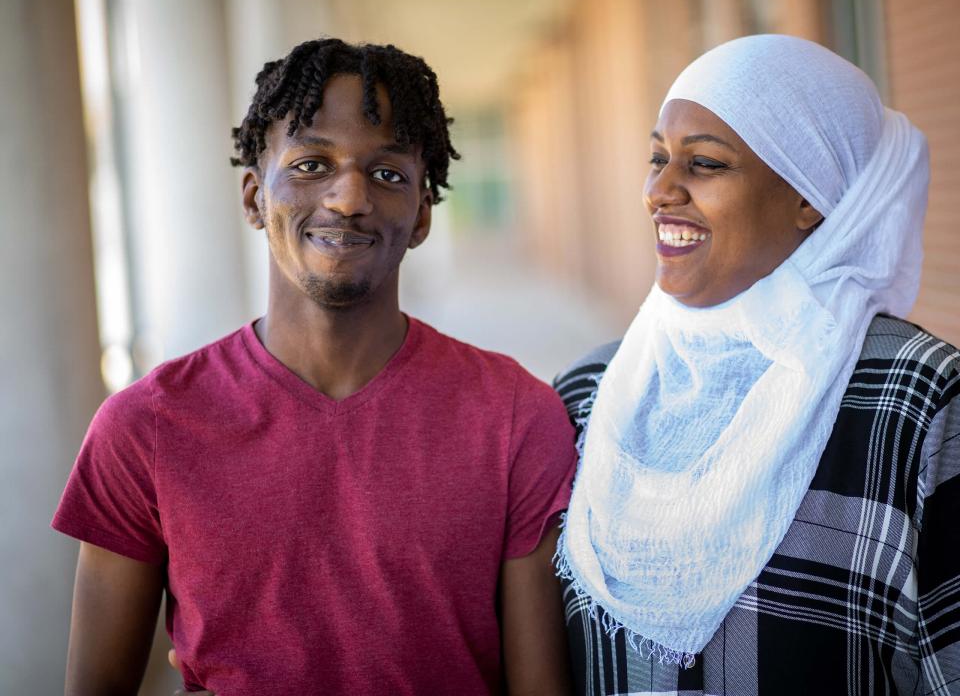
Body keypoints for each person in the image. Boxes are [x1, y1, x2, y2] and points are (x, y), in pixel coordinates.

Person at [53, 38, 576, 695]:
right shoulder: (144, 428)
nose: (348, 197)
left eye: (387, 174)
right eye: (310, 164)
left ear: (421, 216)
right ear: (252, 198)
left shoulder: (515, 416)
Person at [553, 35, 960, 695]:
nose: (659, 190)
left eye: (705, 164)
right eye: (657, 157)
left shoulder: (918, 399)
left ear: (811, 196)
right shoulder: (588, 394)